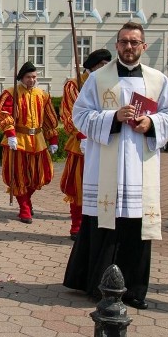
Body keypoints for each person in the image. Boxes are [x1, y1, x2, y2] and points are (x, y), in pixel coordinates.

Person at [64, 22, 168, 309]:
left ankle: (133, 290)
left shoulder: (157, 80)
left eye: (134, 42)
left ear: (144, 46)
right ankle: (98, 287)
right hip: (107, 166)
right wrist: (113, 117)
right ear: (117, 45)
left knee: (136, 228)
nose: (129, 47)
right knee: (104, 225)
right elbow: (79, 115)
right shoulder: (99, 78)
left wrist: (151, 122)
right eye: (124, 42)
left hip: (141, 165)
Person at [0, 62, 59, 223]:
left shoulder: (42, 94)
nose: (32, 80)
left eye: (34, 77)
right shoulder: (11, 93)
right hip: (19, 138)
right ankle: (24, 207)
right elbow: (3, 112)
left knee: (42, 174)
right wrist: (10, 134)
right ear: (22, 77)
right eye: (29, 77)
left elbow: (50, 118)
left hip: (38, 140)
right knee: (18, 175)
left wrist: (53, 139)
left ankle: (27, 200)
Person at [60, 49, 112, 241]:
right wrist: (82, 135)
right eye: (103, 65)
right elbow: (69, 113)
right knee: (79, 186)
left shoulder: (109, 83)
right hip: (81, 144)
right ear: (95, 66)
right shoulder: (74, 85)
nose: (107, 68)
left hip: (105, 141)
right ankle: (77, 225)